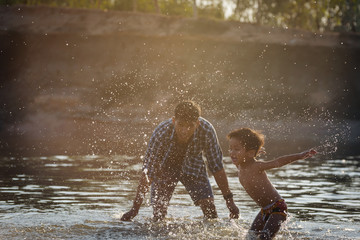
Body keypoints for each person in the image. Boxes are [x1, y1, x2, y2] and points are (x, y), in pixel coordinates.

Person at [121, 101, 239, 221]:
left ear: (197, 124)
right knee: (158, 215)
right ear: (173, 121)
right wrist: (134, 209)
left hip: (193, 166)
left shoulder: (207, 130)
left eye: (190, 126)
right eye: (181, 125)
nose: (184, 130)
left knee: (210, 211)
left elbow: (217, 167)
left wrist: (229, 201)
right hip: (164, 168)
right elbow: (148, 172)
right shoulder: (161, 133)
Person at [227, 128, 317, 240]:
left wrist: (299, 156)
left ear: (250, 153)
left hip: (277, 208)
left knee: (265, 237)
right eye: (230, 148)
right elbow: (246, 157)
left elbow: (278, 162)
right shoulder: (239, 165)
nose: (232, 153)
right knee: (250, 237)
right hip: (264, 210)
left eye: (236, 149)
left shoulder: (256, 167)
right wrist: (253, 153)